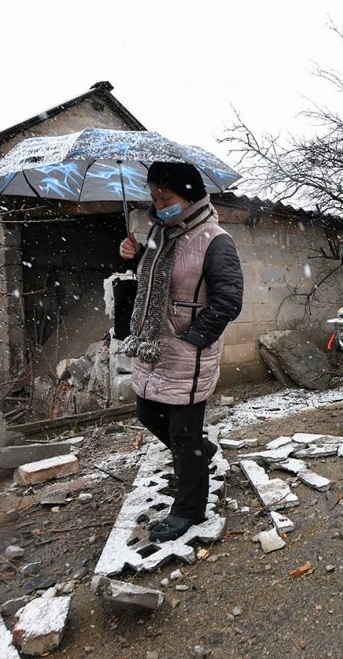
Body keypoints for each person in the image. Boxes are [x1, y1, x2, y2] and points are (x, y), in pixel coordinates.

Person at [119, 162, 243, 542]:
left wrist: (195, 339)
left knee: (183, 435)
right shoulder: (160, 235)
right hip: (155, 346)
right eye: (154, 197)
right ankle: (201, 454)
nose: (158, 204)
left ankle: (189, 509)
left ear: (188, 195)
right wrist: (134, 255)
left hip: (188, 352)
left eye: (166, 197)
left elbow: (229, 299)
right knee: (147, 413)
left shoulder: (215, 238)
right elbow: (151, 281)